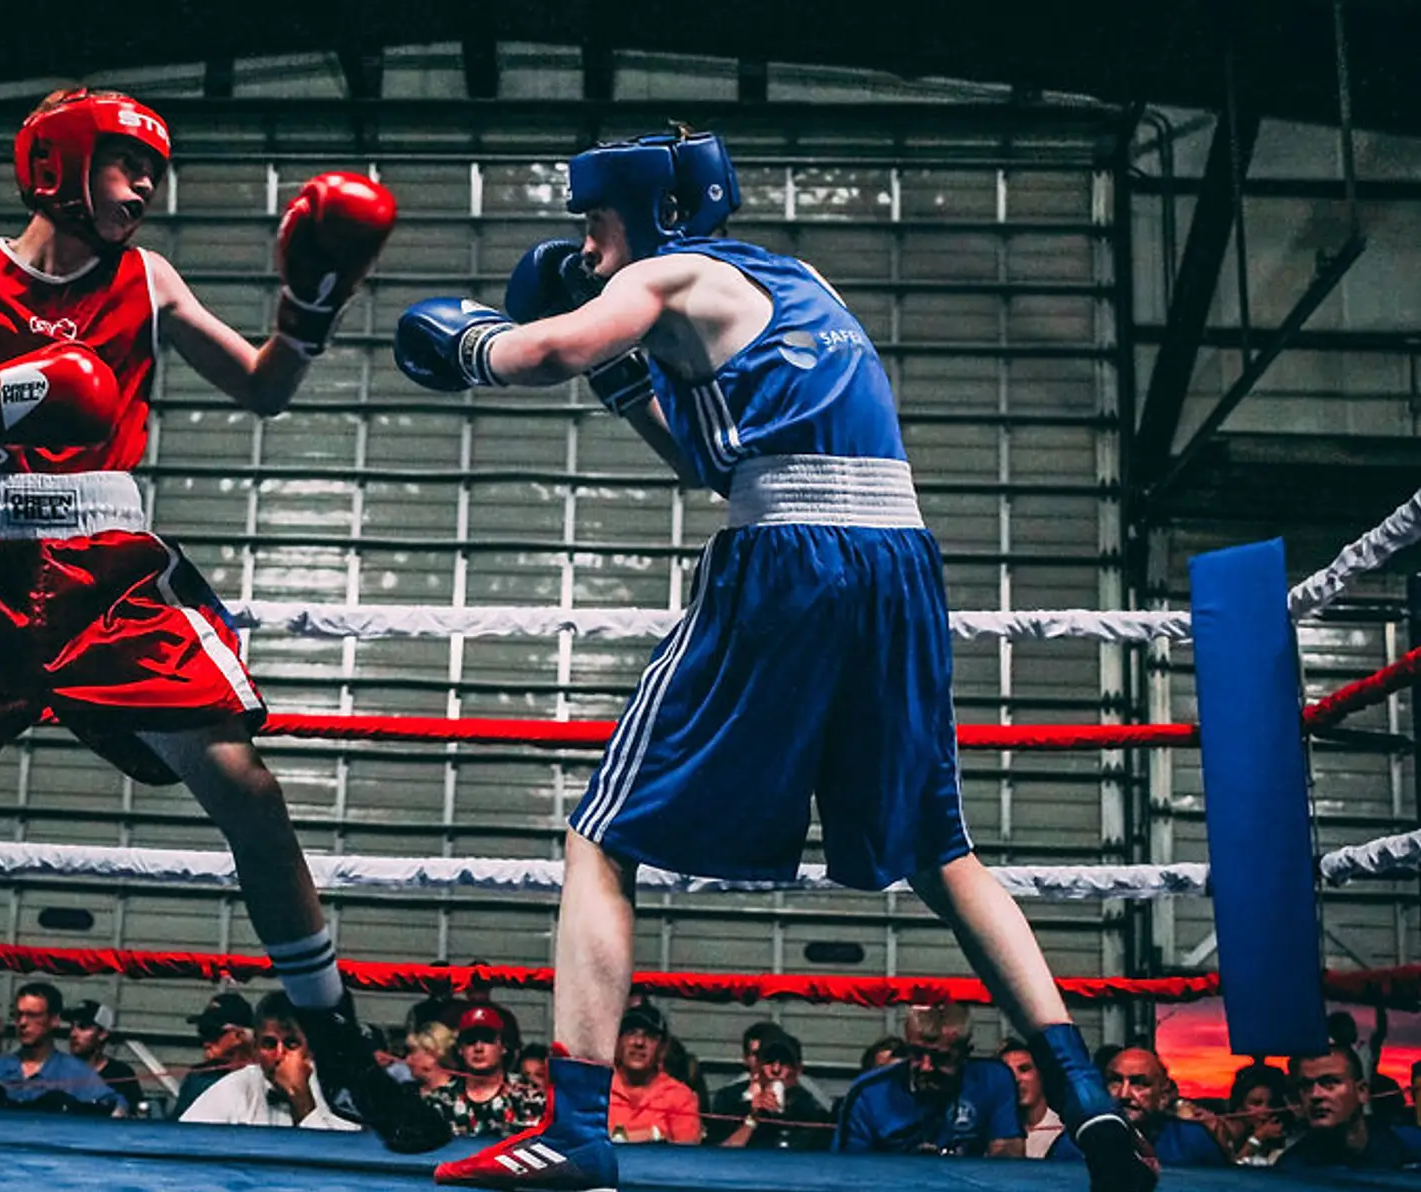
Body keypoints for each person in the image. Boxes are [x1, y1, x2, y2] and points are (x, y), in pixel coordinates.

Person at [398, 127, 1150, 1192]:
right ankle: (1087, 1104)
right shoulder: (794, 283)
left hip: (791, 558)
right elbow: (715, 461)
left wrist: (472, 340)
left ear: (652, 214)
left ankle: (574, 1131)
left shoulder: (664, 273)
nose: (585, 246)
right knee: (942, 850)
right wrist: (625, 383)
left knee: (600, 836)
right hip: (898, 564)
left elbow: (541, 353)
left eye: (594, 221)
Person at [0, 86, 441, 1152]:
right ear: (58, 161)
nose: (144, 188)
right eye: (125, 164)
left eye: (152, 171)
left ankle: (341, 1049)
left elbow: (262, 387)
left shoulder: (147, 278)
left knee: (247, 789)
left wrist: (310, 308)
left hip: (105, 565)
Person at [834, 1003, 1024, 1158]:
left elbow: (1009, 1155)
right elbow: (848, 1171)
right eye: (916, 1054)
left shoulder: (992, 1080)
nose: (926, 1067)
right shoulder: (869, 1093)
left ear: (965, 1053)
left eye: (940, 1058)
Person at [180, 992, 360, 1130]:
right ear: (256, 1047)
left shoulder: (335, 1093)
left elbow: (337, 1161)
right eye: (269, 1044)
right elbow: (186, 1142)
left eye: (291, 1043)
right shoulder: (236, 1087)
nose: (279, 1054)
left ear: (310, 1050)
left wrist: (302, 1102)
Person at [1046, 1047, 1227, 1166]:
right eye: (1115, 1081)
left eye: (1139, 1083)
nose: (1124, 1094)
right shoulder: (1077, 1142)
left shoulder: (1192, 1141)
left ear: (1163, 1095)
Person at [0, 983, 120, 1113]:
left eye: (33, 1015)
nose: (23, 1023)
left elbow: (116, 1107)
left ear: (54, 1020)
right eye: (18, 1015)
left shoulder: (76, 1073)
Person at [1275, 1047, 1421, 1171]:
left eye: (1330, 1082)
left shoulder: (1409, 1149)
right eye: (1306, 1086)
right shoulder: (1291, 1170)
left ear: (1362, 1091)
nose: (1315, 1095)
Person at [424, 1005, 544, 1138]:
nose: (478, 1048)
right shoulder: (440, 1101)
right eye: (470, 1040)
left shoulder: (528, 1096)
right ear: (460, 1049)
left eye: (487, 1039)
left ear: (503, 1046)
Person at [715, 1032, 832, 1151]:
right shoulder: (729, 1100)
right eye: (769, 1061)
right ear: (757, 1065)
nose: (776, 1069)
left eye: (784, 1063)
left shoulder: (812, 1111)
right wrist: (753, 1118)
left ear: (797, 1069)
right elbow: (719, 1154)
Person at [606, 1003, 701, 1145]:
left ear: (663, 1048)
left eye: (650, 1036)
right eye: (631, 1033)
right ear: (617, 1042)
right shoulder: (596, 1088)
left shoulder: (680, 1096)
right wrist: (653, 1135)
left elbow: (687, 1154)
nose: (639, 1042)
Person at [171, 991, 258, 1118]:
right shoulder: (198, 1079)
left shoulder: (264, 1077)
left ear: (239, 1035)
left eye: (212, 1032)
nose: (206, 1042)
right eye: (202, 1032)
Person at [69, 998, 144, 1112]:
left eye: (83, 1027)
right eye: (71, 1026)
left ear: (102, 1034)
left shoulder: (121, 1075)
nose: (73, 1034)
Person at [999, 1038, 1065, 1158]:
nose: (1016, 1079)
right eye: (1007, 1072)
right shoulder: (992, 1135)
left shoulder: (1065, 1131)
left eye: (1024, 1069)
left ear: (1042, 1075)